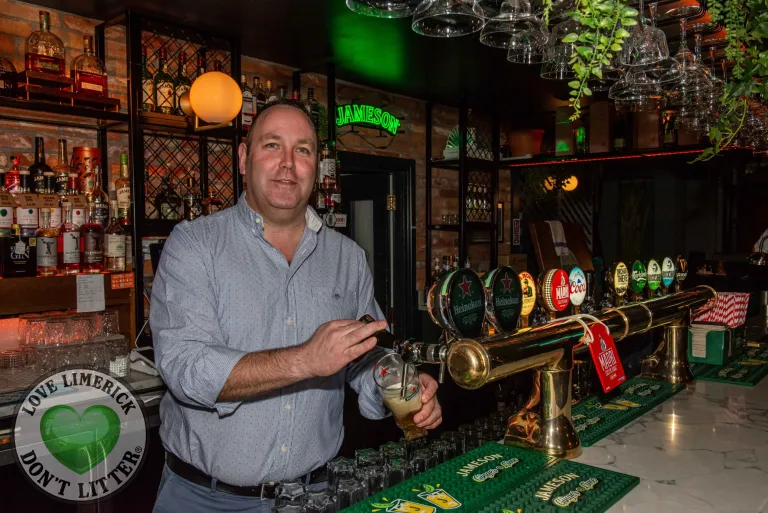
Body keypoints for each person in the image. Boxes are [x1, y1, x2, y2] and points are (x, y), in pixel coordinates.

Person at [150, 103, 442, 513]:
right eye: (272, 145)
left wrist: (402, 386)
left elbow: (368, 356)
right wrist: (305, 360)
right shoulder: (195, 245)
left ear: (317, 165)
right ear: (243, 158)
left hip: (316, 496)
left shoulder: (347, 258)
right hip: (207, 499)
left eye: (302, 150)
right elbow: (185, 367)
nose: (288, 164)